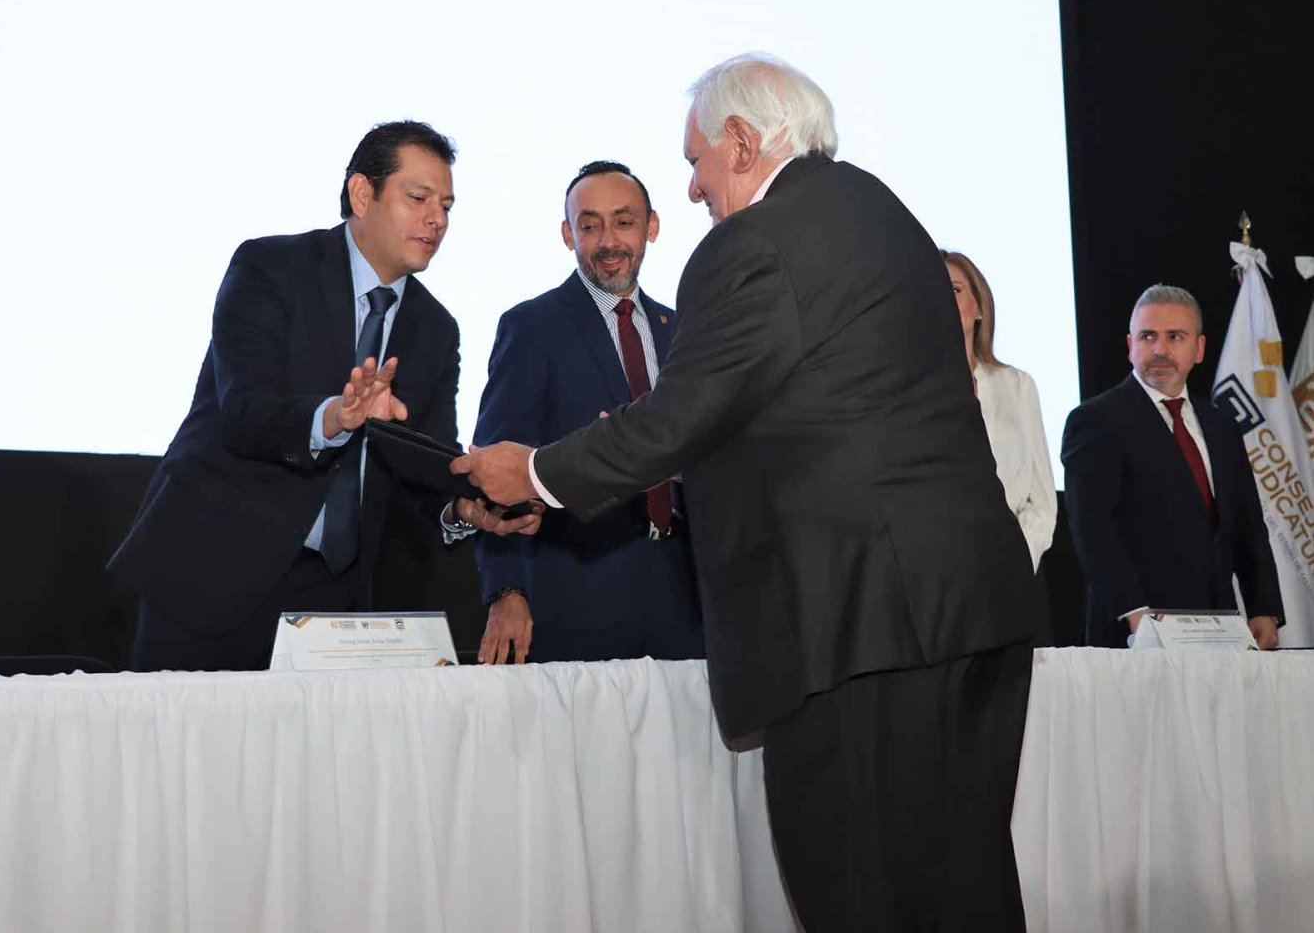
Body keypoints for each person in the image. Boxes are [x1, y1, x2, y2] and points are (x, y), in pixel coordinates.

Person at [454, 54, 1038, 931]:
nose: (692, 187)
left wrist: (533, 472)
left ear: (740, 140)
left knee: (863, 893)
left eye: (695, 161)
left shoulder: (754, 242)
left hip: (860, 624)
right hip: (972, 604)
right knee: (964, 886)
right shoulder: (883, 213)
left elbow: (682, 416)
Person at [108, 121, 538, 672]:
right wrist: (334, 417)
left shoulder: (436, 330)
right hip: (214, 572)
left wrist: (461, 508)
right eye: (419, 198)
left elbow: (424, 469)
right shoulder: (270, 268)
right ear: (362, 193)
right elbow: (243, 413)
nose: (438, 219)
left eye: (447, 206)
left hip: (340, 600)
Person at [471, 161, 702, 664]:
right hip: (578, 602)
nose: (608, 241)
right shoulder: (532, 327)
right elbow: (497, 468)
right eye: (590, 225)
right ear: (567, 234)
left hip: (686, 601)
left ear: (651, 227)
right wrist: (506, 590)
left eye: (624, 222)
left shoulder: (686, 332)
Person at [1061, 283, 1283, 648]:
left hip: (1220, 628)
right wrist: (1135, 613)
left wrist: (1263, 608)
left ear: (1199, 349)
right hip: (1135, 633)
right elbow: (1094, 528)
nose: (1160, 349)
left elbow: (1247, 523)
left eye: (1175, 337)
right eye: (1148, 336)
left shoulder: (1221, 424)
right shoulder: (1095, 420)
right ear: (1131, 345)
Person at [942, 250, 1056, 571]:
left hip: (1008, 567)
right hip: (935, 569)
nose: (942, 298)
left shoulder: (1017, 386)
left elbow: (1042, 502)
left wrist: (1013, 560)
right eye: (932, 289)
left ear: (978, 306)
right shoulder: (903, 389)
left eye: (954, 289)